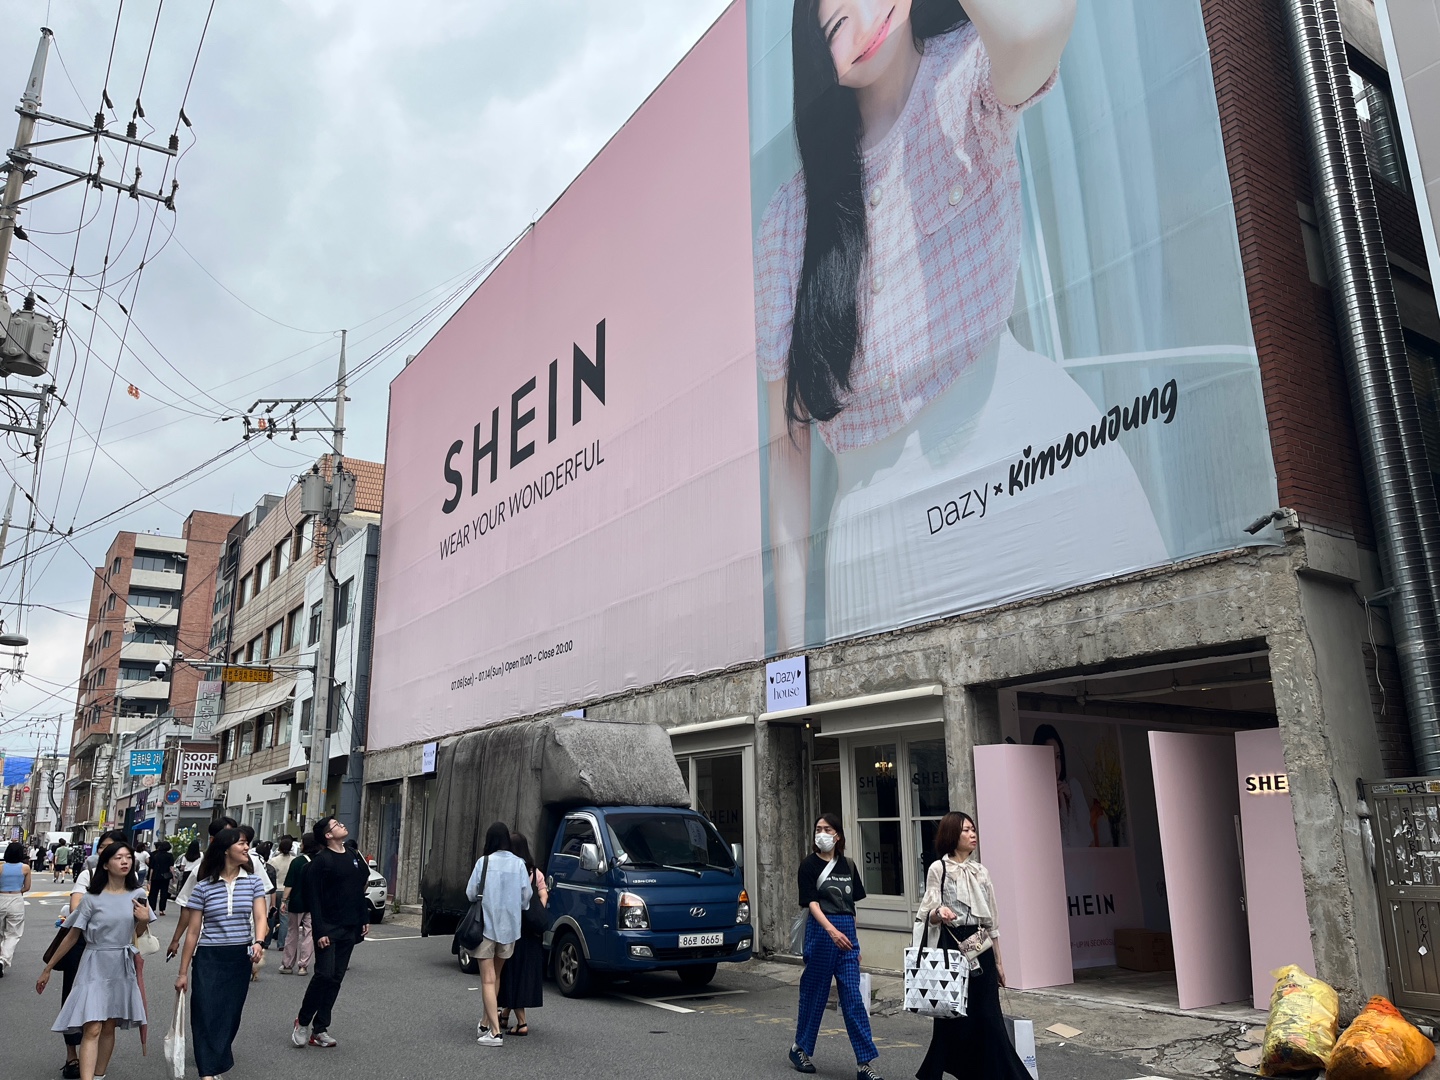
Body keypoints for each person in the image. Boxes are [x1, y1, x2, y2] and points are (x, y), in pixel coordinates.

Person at [754, 0, 1168, 649]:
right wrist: (789, 659)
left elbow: (1036, 30)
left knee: (1119, 674)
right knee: (911, 715)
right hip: (880, 546)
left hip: (1030, 466)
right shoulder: (791, 221)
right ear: (818, 62)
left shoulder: (967, 75)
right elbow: (787, 448)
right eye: (835, 27)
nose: (864, 22)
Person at [915, 811, 1030, 1080]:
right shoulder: (939, 869)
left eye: (973, 829)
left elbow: (992, 921)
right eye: (966, 830)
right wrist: (939, 912)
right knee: (950, 1015)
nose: (972, 834)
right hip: (953, 946)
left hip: (981, 946)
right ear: (952, 834)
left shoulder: (981, 871)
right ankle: (933, 1071)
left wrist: (999, 962)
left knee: (989, 1015)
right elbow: (926, 913)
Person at [36, 841, 150, 1080]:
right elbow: (72, 935)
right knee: (93, 1026)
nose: (125, 861)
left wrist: (143, 920)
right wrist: (48, 968)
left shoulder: (138, 895)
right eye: (118, 857)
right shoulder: (92, 898)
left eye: (128, 857)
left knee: (108, 1025)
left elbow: (138, 934)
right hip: (94, 963)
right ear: (105, 864)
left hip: (121, 964)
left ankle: (99, 1076)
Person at [789, 813, 881, 1079]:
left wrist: (855, 942)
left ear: (837, 835)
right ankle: (799, 1048)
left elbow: (852, 908)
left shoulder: (848, 866)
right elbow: (811, 903)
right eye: (818, 828)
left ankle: (864, 1063)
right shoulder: (808, 865)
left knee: (853, 997)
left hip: (847, 936)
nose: (822, 833)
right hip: (822, 932)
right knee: (814, 993)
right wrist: (831, 931)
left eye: (827, 829)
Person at [175, 828, 268, 1080]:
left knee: (230, 1013)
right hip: (208, 956)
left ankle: (216, 1061)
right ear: (226, 849)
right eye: (242, 843)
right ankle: (207, 1070)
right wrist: (182, 973)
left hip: (239, 956)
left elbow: (261, 917)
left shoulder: (253, 882)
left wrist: (259, 942)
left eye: (247, 843)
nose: (247, 848)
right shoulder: (203, 887)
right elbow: (193, 932)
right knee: (204, 1010)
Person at [291, 816, 371, 1049]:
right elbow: (313, 899)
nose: (342, 825)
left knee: (336, 978)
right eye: (336, 825)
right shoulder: (321, 861)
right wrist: (320, 931)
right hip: (328, 926)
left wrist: (364, 917)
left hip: (349, 925)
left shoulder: (353, 854)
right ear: (327, 835)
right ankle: (302, 1021)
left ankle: (320, 1029)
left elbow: (359, 888)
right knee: (324, 975)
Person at [467, 821, 532, 1048]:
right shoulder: (519, 864)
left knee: (487, 978)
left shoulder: (483, 862)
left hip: (486, 926)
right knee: (496, 976)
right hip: (510, 928)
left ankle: (495, 1033)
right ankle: (485, 1023)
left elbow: (470, 893)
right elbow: (526, 898)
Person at [496, 831, 548, 1036]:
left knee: (512, 974)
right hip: (532, 932)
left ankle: (522, 1023)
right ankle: (504, 1014)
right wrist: (535, 913)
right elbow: (543, 895)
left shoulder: (512, 870)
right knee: (523, 974)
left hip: (514, 929)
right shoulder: (535, 872)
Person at [280, 833, 318, 976]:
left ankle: (288, 964)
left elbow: (289, 884)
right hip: (314, 903)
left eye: (302, 843)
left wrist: (284, 900)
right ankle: (303, 966)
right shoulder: (320, 861)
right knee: (309, 934)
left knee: (293, 932)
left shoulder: (297, 862)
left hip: (297, 902)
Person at [0, 840, 32, 977]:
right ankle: (3, 960)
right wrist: (18, 891)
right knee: (13, 933)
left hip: (1, 897)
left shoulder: (1, 867)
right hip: (16, 899)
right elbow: (27, 887)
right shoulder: (25, 868)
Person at [268, 835, 297, 952]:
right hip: (287, 891)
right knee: (284, 919)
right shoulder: (294, 860)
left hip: (274, 890)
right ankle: (282, 943)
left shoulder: (273, 860)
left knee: (271, 915)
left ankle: (266, 941)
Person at [147, 840, 175, 916]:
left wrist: (149, 879)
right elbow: (171, 867)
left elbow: (152, 868)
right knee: (164, 893)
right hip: (165, 877)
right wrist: (173, 876)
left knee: (153, 893)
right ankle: (162, 910)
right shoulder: (169, 856)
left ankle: (152, 909)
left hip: (155, 876)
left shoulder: (154, 855)